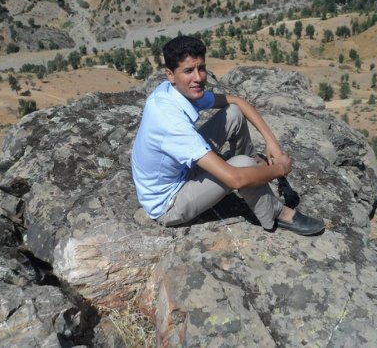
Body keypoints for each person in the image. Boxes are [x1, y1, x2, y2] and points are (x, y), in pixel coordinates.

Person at [131, 36, 324, 235]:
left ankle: (253, 173)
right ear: (170, 75)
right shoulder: (170, 121)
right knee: (240, 166)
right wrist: (280, 169)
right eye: (188, 71)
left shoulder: (176, 91)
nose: (198, 78)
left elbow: (237, 102)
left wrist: (271, 142)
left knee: (233, 114)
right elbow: (235, 180)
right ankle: (276, 213)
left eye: (201, 68)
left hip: (180, 170)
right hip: (169, 203)